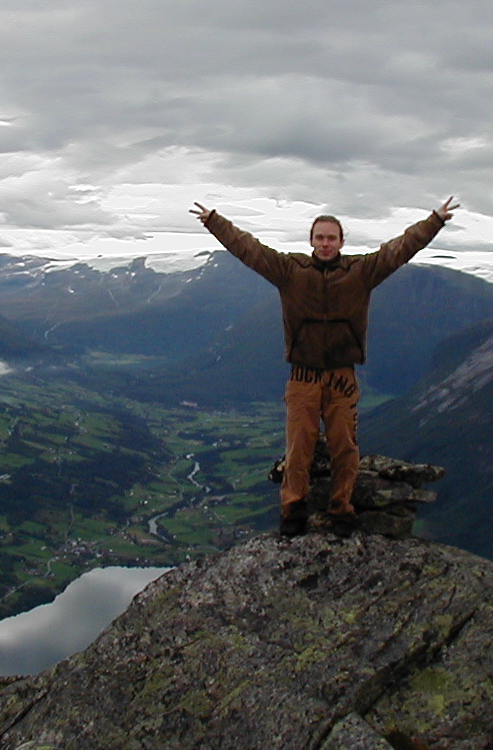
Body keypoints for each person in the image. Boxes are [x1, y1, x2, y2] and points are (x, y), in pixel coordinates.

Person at [190, 196, 459, 537]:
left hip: (342, 376)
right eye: (320, 237)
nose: (326, 243)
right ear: (311, 241)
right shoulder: (291, 272)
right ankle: (293, 512)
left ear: (342, 242)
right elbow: (250, 249)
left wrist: (435, 220)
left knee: (344, 447)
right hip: (303, 375)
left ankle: (341, 510)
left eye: (332, 238)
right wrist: (215, 221)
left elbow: (400, 249)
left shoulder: (360, 272)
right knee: (298, 447)